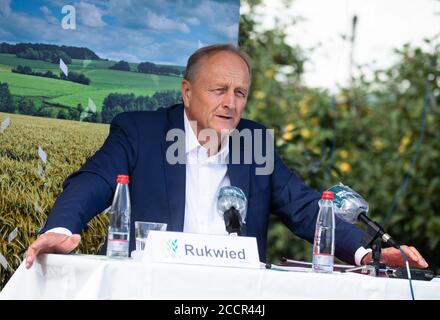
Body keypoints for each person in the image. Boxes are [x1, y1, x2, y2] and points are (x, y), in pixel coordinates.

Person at [25, 44, 428, 270]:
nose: (231, 103)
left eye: (240, 93)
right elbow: (92, 181)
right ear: (186, 92)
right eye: (219, 90)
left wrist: (367, 252)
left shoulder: (255, 142)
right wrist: (62, 228)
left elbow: (306, 207)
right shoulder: (141, 131)